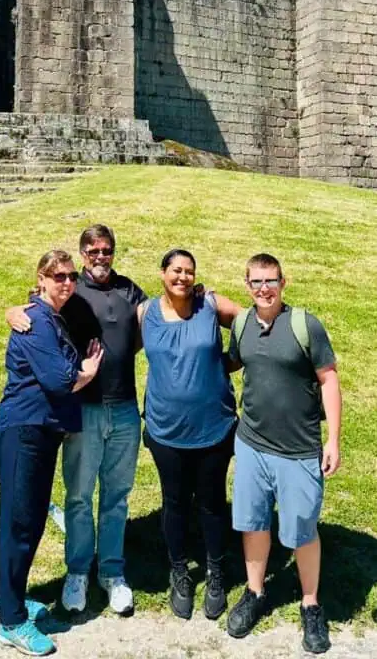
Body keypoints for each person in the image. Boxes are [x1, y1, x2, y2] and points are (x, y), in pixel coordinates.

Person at [6, 225, 146, 616]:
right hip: (82, 409)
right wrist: (11, 311)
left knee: (117, 497)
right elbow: (35, 308)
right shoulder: (69, 288)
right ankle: (78, 572)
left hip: (124, 409)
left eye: (108, 250)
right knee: (80, 497)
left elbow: (156, 319)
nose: (101, 257)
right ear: (83, 253)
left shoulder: (129, 289)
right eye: (94, 251)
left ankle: (113, 572)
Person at [225, 253, 342, 654]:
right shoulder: (241, 325)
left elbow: (328, 380)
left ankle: (311, 604)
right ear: (247, 285)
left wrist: (334, 440)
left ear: (282, 282)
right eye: (256, 282)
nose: (263, 289)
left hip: (299, 448)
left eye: (270, 281)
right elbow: (234, 363)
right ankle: (255, 592)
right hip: (252, 444)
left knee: (302, 530)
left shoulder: (304, 325)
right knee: (254, 524)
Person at [0, 249, 103, 655]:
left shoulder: (48, 316)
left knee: (26, 517)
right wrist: (86, 374)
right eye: (58, 276)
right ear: (41, 278)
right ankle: (12, 621)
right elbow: (58, 380)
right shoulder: (37, 320)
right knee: (21, 522)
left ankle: (5, 596)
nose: (68, 283)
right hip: (25, 432)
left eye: (72, 276)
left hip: (37, 432)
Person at [139, 248, 241, 622]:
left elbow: (252, 325)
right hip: (166, 430)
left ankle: (216, 572)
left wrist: (229, 361)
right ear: (163, 273)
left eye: (189, 271)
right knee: (175, 502)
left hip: (214, 427)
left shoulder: (210, 305)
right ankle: (179, 571)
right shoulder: (144, 314)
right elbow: (117, 346)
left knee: (213, 502)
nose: (182, 277)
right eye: (175, 270)